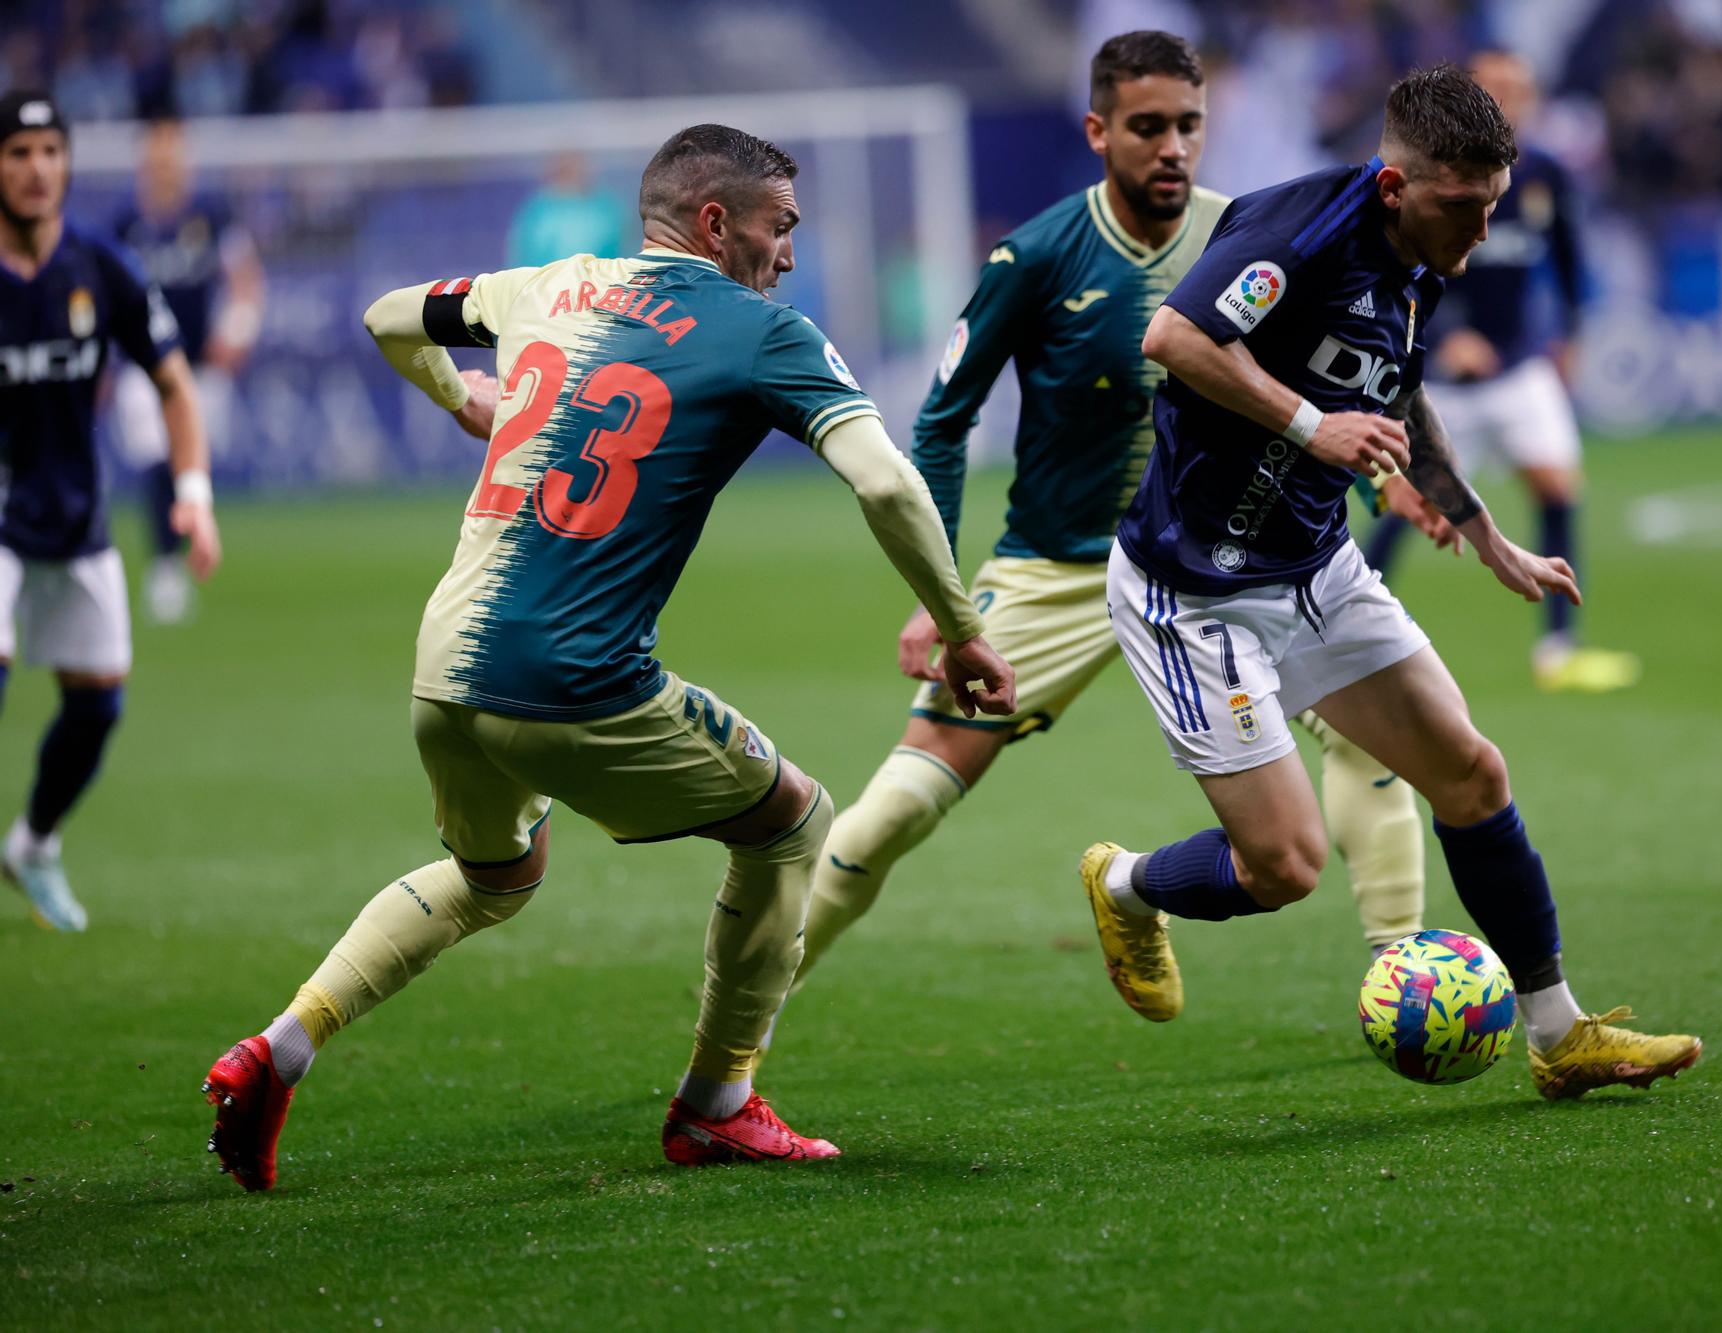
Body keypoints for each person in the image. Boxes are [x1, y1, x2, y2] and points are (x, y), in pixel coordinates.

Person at [199, 124, 1015, 1189]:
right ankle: (716, 1102)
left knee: (498, 876)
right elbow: (886, 483)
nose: (789, 254)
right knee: (791, 822)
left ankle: (279, 1048)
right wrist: (960, 629)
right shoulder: (764, 331)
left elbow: (387, 315)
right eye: (780, 227)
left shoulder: (549, 284)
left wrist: (463, 399)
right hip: (568, 675)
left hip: (444, 665)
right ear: (716, 223)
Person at [791, 31, 1452, 1023]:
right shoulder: (1037, 253)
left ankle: (1410, 987)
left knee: (1372, 748)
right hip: (1056, 573)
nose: (1172, 147)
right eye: (1147, 127)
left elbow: (1333, 372)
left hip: (1233, 572)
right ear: (1099, 131)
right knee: (894, 810)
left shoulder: (1253, 232)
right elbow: (940, 419)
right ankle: (744, 1014)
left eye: (1187, 124)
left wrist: (1383, 480)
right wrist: (934, 599)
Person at [1085, 64, 1700, 1099]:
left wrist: (1481, 529)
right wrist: (1307, 424)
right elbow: (1173, 337)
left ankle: (1559, 1035)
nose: (1477, 232)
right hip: (1192, 592)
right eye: (1460, 208)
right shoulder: (1298, 231)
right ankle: (1123, 883)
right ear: (1391, 185)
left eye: (1490, 207)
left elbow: (1399, 392)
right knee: (1282, 867)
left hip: (1315, 566)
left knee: (1471, 775)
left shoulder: (1424, 254)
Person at [0, 91, 223, 932]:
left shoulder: (100, 265)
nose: (35, 169)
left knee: (96, 705)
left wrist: (194, 498)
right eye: (17, 152)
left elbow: (173, 382)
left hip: (72, 513)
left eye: (49, 151)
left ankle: (33, 844)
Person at [1361, 50, 1638, 693]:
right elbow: (1412, 264)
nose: (1513, 99)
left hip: (1519, 366)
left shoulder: (1542, 174)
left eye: (1522, 88)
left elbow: (1567, 257)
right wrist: (1451, 334)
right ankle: (1345, 626)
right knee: (1409, 503)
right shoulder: (1434, 175)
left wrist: (1570, 332)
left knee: (1559, 488)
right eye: (1499, 89)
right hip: (1444, 381)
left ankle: (1560, 650)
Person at [110, 115, 262, 624]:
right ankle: (164, 566)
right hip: (145, 365)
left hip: (198, 364)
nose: (167, 168)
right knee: (156, 453)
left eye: (174, 158)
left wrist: (237, 330)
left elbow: (244, 278)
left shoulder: (212, 217)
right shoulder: (125, 225)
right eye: (158, 159)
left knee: (189, 464)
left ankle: (185, 549)